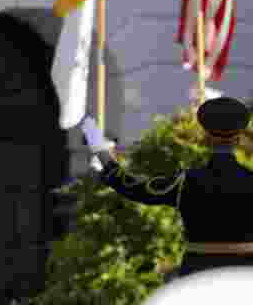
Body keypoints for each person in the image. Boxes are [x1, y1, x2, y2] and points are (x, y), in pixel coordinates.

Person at [83, 97, 253, 277]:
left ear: (207, 138)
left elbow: (132, 186)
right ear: (238, 139)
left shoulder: (186, 181)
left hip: (198, 274)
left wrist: (100, 149)